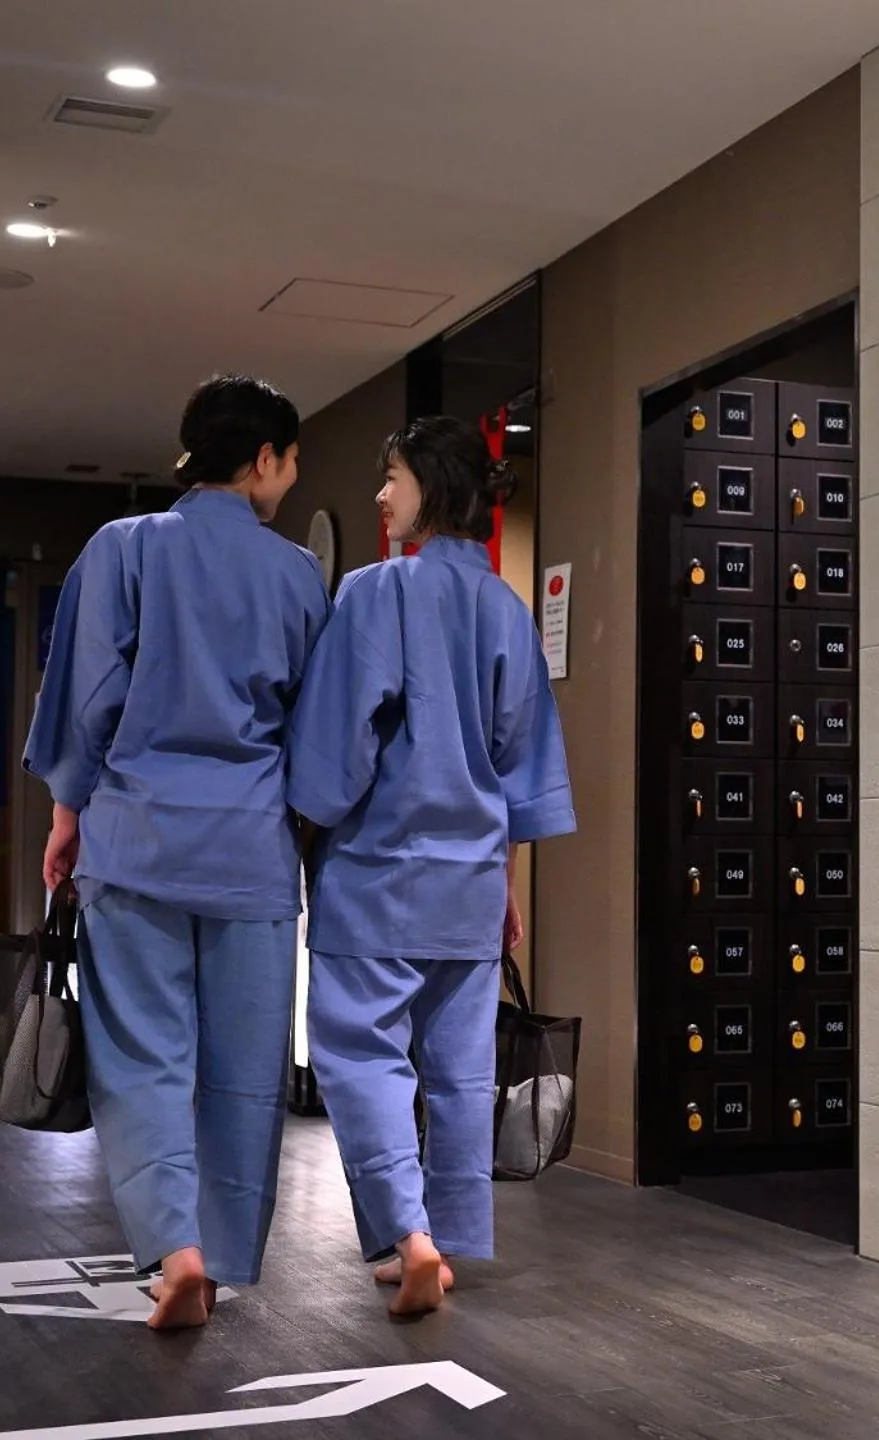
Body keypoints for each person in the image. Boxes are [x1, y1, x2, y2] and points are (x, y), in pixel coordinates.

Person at [23, 374, 330, 1330]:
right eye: (291, 459)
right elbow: (316, 731)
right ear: (264, 459)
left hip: (137, 841)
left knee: (142, 1057)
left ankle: (175, 1249)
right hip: (251, 853)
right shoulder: (297, 575)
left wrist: (67, 814)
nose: (290, 475)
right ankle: (225, 1253)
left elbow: (85, 699)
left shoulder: (123, 548)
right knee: (245, 1068)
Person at [286, 415, 574, 1317]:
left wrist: (304, 818)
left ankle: (408, 1235)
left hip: (378, 871)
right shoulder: (507, 608)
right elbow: (522, 766)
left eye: (395, 477)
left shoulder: (377, 592)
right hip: (471, 879)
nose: (381, 495)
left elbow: (336, 748)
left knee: (359, 1053)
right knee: (459, 1070)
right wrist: (506, 885)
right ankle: (445, 1239)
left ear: (434, 487)